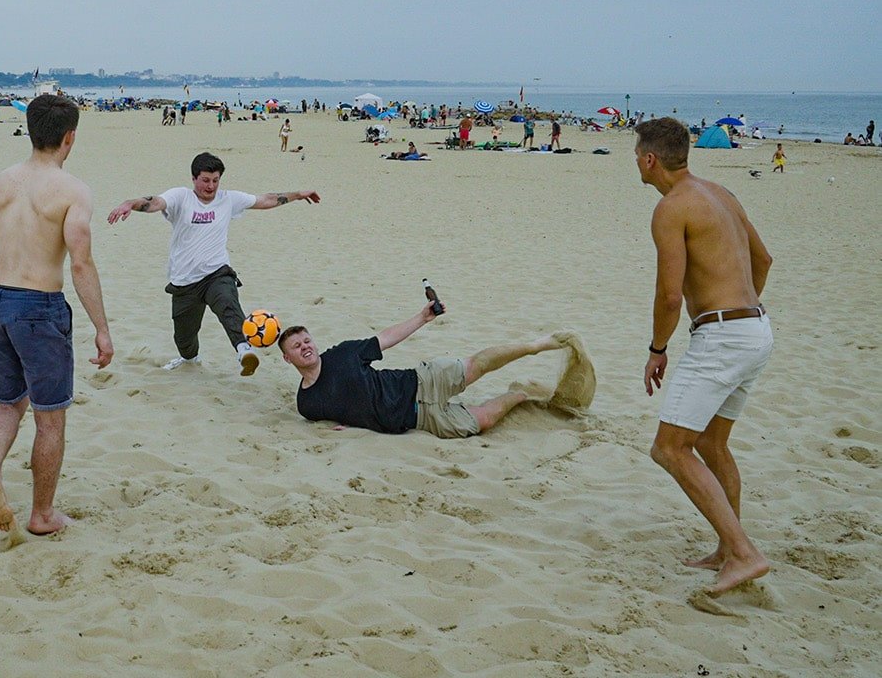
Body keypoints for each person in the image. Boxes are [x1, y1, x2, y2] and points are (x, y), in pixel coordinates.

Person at [635, 117, 774, 595]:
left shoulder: (672, 208)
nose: (636, 161)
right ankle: (726, 547)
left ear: (650, 159)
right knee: (713, 445)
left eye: (637, 154)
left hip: (724, 338)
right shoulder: (722, 194)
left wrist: (658, 349)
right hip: (756, 328)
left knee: (670, 448)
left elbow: (670, 296)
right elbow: (764, 261)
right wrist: (741, 306)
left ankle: (742, 553)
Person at [0, 94, 113, 537]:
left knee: (9, 400)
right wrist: (102, 329)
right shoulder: (73, 191)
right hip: (39, 307)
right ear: (70, 137)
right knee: (50, 416)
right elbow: (81, 263)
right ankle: (42, 514)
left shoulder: (0, 182)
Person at [107, 153, 319, 375]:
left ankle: (244, 350)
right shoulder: (181, 197)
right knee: (184, 337)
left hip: (216, 274)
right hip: (184, 281)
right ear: (194, 178)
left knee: (228, 304)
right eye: (206, 180)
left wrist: (296, 195)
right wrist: (130, 203)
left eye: (215, 180)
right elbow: (155, 202)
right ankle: (189, 358)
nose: (211, 186)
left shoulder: (228, 199)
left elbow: (265, 200)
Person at [279, 309, 582, 438]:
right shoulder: (307, 403)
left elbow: (387, 337)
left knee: (477, 364)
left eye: (307, 340)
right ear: (286, 358)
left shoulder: (343, 354)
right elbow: (332, 419)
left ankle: (536, 345)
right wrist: (351, 427)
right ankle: (523, 394)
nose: (305, 347)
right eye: (297, 346)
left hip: (420, 382)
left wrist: (423, 318)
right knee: (484, 420)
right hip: (419, 421)